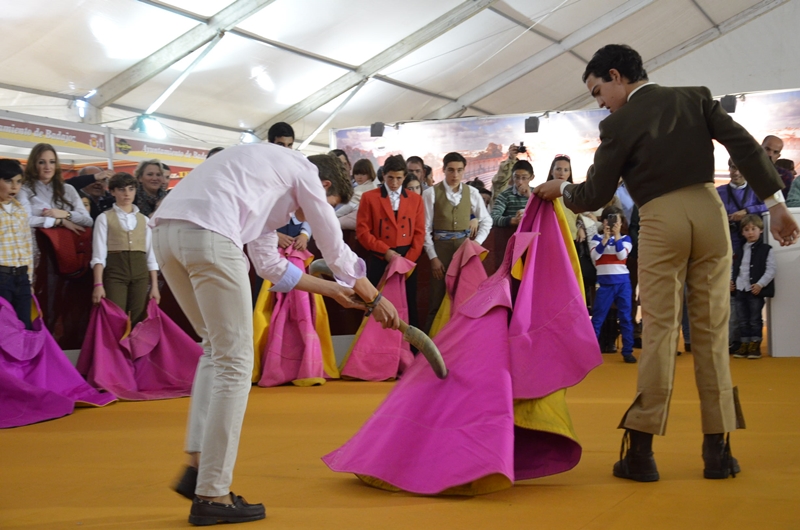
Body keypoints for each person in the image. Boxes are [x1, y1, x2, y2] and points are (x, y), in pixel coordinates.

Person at [533, 44, 798, 482]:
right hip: (710, 215)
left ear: (616, 75)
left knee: (658, 331)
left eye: (599, 92)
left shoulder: (619, 124)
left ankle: (641, 452)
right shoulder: (695, 96)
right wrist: (776, 203)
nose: (600, 103)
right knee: (713, 331)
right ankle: (719, 451)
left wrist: (560, 190)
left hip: (660, 220)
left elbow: (595, 194)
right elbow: (746, 146)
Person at [151, 145, 400, 525]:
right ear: (326, 183)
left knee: (216, 352)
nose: (319, 210)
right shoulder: (304, 172)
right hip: (211, 235)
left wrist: (334, 291)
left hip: (167, 233)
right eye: (329, 201)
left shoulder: (265, 177)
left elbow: (269, 265)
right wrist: (373, 295)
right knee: (235, 363)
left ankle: (200, 465)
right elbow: (333, 243)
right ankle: (213, 494)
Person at [422, 152, 491, 332]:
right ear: (444, 170)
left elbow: (487, 220)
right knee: (437, 298)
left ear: (464, 171)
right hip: (441, 249)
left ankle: (462, 344)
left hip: (464, 250)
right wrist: (433, 257)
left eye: (459, 170)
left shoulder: (472, 192)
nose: (455, 175)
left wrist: (476, 244)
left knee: (465, 296)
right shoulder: (431, 193)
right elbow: (424, 228)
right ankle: (430, 350)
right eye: (451, 170)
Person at [356, 154, 425, 328]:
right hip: (380, 256)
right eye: (390, 178)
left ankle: (410, 348)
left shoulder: (416, 199)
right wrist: (385, 252)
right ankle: (370, 347)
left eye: (399, 178)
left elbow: (419, 232)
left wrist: (408, 259)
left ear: (405, 177)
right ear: (383, 175)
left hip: (407, 257)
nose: (394, 182)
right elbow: (363, 231)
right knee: (375, 301)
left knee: (409, 303)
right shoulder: (369, 197)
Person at [90, 172, 160, 325]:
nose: (127, 193)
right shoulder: (104, 218)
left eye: (131, 189)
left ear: (135, 190)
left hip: (140, 271)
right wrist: (98, 284)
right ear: (112, 191)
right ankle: (115, 349)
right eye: (121, 189)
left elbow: (151, 255)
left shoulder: (144, 220)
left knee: (138, 316)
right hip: (115, 271)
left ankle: (133, 349)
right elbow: (98, 255)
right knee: (115, 316)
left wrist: (154, 286)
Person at [589, 206, 635, 364]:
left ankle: (628, 351)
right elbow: (595, 256)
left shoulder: (626, 239)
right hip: (605, 283)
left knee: (626, 318)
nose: (614, 222)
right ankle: (591, 352)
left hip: (623, 283)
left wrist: (616, 237)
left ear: (622, 222)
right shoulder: (596, 238)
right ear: (603, 220)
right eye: (610, 218)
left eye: (617, 220)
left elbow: (622, 255)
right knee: (598, 318)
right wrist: (605, 238)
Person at [730, 215, 775, 360]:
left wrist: (760, 284)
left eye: (753, 229)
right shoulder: (739, 249)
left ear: (760, 230)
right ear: (742, 233)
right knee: (742, 319)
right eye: (746, 230)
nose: (750, 232)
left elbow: (771, 269)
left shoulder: (766, 249)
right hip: (740, 290)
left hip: (754, 290)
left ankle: (755, 345)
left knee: (755, 319)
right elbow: (734, 267)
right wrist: (731, 281)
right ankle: (744, 343)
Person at [0, 159, 33, 329]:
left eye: (18, 182)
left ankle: (23, 357)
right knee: (4, 329)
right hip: (2, 275)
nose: (14, 187)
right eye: (8, 181)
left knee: (24, 326)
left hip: (21, 276)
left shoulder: (20, 210)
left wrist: (29, 278)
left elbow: (27, 245)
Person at [717, 159, 768, 257]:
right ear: (729, 168)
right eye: (733, 167)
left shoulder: (757, 191)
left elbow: (769, 207)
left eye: (741, 169)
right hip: (728, 241)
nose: (736, 173)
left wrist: (747, 211)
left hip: (752, 240)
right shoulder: (718, 192)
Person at [336, 158, 377, 230]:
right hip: (368, 220)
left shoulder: (363, 189)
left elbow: (349, 207)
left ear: (370, 174)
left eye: (363, 174)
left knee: (333, 223)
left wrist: (333, 216)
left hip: (361, 218)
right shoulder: (373, 187)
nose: (359, 177)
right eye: (357, 174)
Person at [491, 160, 533, 227]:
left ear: (532, 177)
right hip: (510, 234)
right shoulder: (504, 196)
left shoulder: (538, 194)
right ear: (512, 177)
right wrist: (514, 220)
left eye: (524, 178)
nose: (520, 182)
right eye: (517, 177)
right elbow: (493, 217)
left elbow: (544, 216)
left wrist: (530, 198)